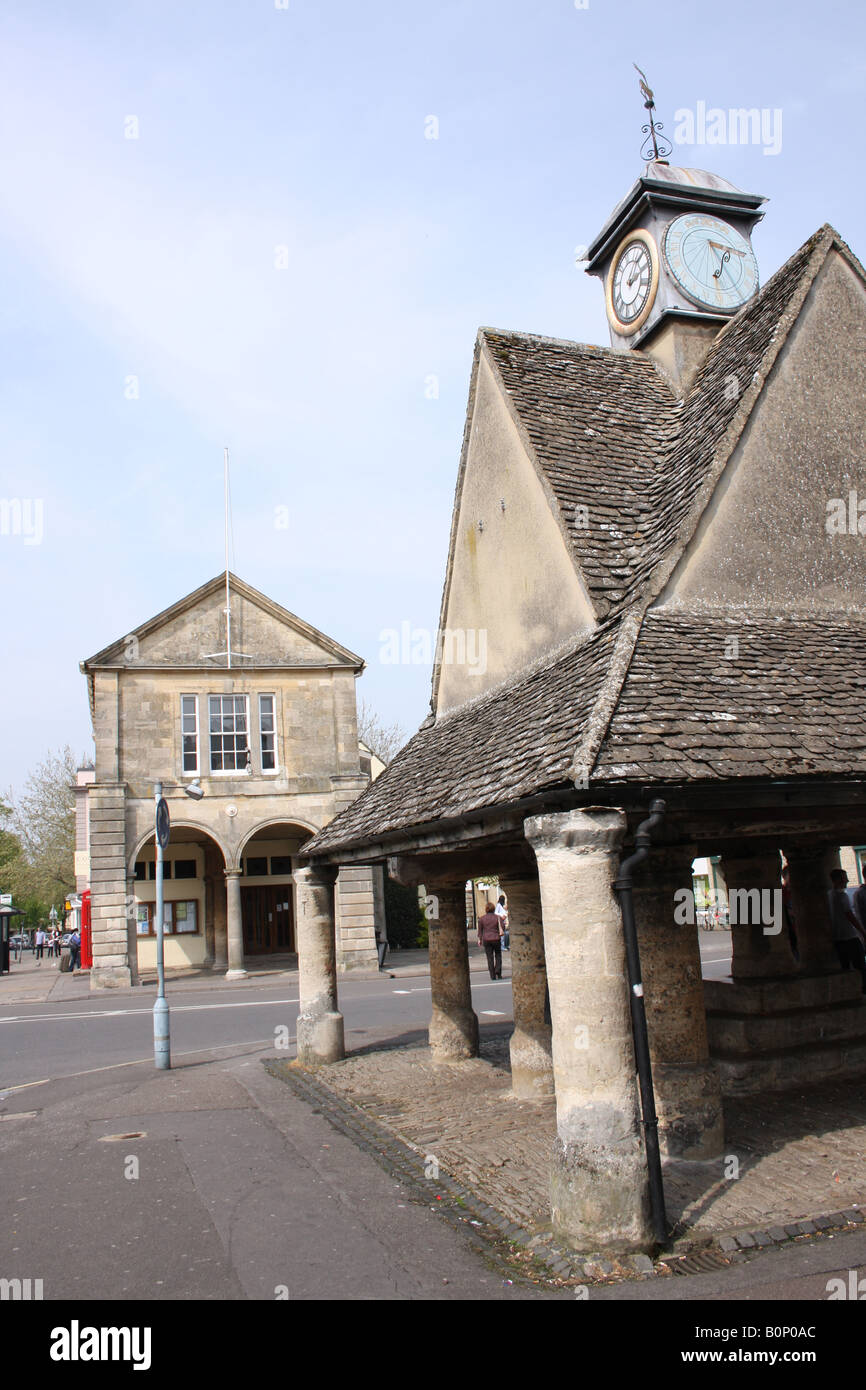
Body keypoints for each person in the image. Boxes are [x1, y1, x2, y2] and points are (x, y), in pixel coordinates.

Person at [828, 869, 866, 994]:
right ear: (837, 880)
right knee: (860, 965)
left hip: (838, 938)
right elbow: (849, 914)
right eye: (844, 878)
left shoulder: (829, 895)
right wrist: (862, 931)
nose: (847, 881)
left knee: (845, 967)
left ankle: (850, 991)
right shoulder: (842, 896)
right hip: (849, 936)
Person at [477, 901, 503, 981]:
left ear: (486, 909)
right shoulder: (497, 917)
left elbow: (480, 931)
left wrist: (479, 939)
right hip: (496, 938)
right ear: (494, 909)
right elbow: (502, 927)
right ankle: (498, 971)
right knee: (498, 955)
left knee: (489, 957)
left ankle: (492, 975)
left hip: (486, 939)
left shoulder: (482, 919)